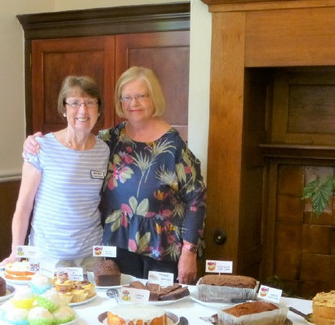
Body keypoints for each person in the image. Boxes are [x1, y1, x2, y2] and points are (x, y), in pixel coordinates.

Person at [24, 67, 206, 284]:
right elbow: (77, 143)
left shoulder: (173, 145)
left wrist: (189, 252)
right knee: (121, 307)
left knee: (161, 309)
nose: (133, 103)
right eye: (126, 97)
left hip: (162, 248)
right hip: (117, 246)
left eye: (141, 96)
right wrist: (34, 143)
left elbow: (196, 198)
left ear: (154, 98)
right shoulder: (110, 139)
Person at [0, 76, 109, 275]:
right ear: (64, 109)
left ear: (98, 109)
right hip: (48, 258)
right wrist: (16, 252)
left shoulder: (104, 150)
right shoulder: (41, 147)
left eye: (90, 103)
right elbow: (24, 206)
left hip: (90, 256)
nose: (83, 110)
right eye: (74, 103)